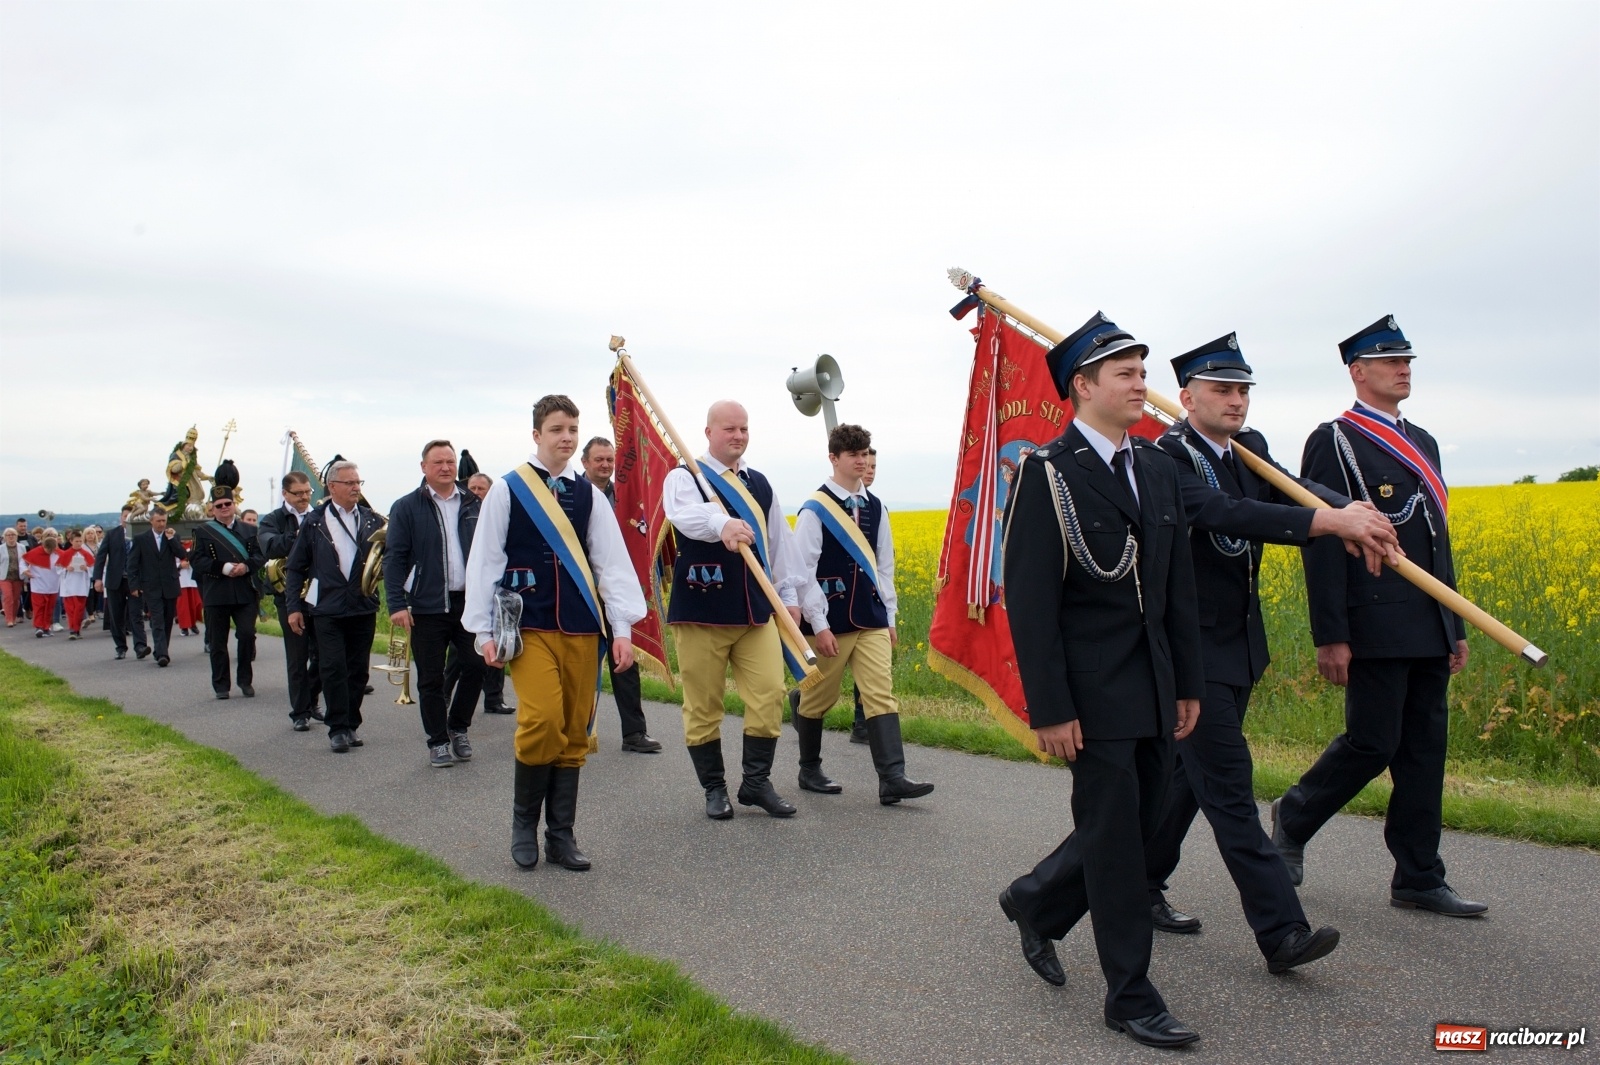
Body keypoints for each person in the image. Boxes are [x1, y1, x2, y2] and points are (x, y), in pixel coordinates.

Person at [1137, 333, 1403, 972]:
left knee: (1185, 784)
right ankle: (1282, 931)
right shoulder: (1164, 459)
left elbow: (1289, 489)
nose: (1236, 401)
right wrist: (1329, 524)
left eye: (1243, 390)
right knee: (1232, 792)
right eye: (1222, 390)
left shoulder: (1247, 448)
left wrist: (1350, 510)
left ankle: (1097, 888)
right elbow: (1225, 513)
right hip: (1190, 656)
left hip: (1239, 650)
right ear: (1186, 398)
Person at [997, 312, 1205, 1050]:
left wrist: (1187, 682)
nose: (1141, 384)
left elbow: (1176, 588)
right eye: (1125, 373)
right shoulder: (1048, 474)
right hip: (1091, 695)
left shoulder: (1157, 466)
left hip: (1155, 685)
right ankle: (1131, 996)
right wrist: (1050, 707)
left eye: (1143, 372)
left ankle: (1036, 900)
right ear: (1083, 387)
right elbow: (1031, 603)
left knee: (1139, 828)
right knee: (1118, 846)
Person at [1271, 316, 1485, 917]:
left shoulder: (1424, 441)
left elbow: (1437, 543)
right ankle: (1295, 814)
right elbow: (1321, 541)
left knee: (1424, 751)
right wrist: (1332, 634)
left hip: (1428, 623)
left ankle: (1419, 875)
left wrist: (1453, 625)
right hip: (1374, 623)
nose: (1403, 369)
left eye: (1407, 360)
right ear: (1358, 371)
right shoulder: (1335, 440)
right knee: (1372, 743)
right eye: (1391, 361)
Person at [463, 395, 645, 870]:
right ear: (537, 434)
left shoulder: (589, 496)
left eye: (573, 430)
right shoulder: (508, 489)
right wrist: (482, 630)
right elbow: (486, 561)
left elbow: (611, 564)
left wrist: (622, 628)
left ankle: (561, 835)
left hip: (583, 626)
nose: (567, 437)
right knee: (542, 720)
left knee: (574, 730)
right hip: (529, 626)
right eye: (557, 429)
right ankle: (523, 825)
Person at [663, 400, 804, 821]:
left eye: (743, 428)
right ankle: (714, 788)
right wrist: (720, 524)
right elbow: (684, 516)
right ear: (709, 432)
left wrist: (790, 597)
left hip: (755, 611)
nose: (738, 436)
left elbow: (778, 543)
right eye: (729, 429)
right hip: (701, 608)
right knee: (704, 705)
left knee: (769, 693)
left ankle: (756, 782)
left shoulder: (759, 483)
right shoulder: (686, 476)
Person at [789, 423, 933, 803]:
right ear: (834, 458)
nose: (861, 460)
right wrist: (819, 625)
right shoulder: (815, 510)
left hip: (870, 618)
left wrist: (889, 618)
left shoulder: (876, 507)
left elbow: (885, 567)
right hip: (830, 621)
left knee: (880, 693)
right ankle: (809, 769)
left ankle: (892, 778)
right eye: (853, 454)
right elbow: (803, 573)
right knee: (819, 698)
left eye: (865, 453)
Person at [387, 440, 485, 768]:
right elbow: (395, 557)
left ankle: (458, 727)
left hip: (468, 604)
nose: (445, 467)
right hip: (426, 606)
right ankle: (438, 741)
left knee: (476, 666)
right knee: (431, 677)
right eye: (438, 462)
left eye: (450, 462)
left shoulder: (473, 502)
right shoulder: (406, 506)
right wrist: (396, 604)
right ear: (424, 467)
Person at [285, 461, 384, 753]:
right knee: (332, 668)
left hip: (362, 605)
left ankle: (351, 724)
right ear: (332, 486)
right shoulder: (314, 521)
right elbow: (295, 567)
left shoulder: (372, 519)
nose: (355, 488)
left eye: (358, 482)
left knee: (358, 671)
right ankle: (337, 728)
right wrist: (293, 607)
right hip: (327, 608)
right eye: (349, 483)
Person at [581, 435, 661, 753]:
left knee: (625, 660)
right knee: (580, 662)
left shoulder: (624, 498)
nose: (605, 465)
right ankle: (574, 729)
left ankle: (635, 733)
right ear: (584, 463)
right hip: (582, 590)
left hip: (615, 589)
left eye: (609, 460)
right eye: (598, 459)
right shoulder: (571, 495)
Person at [443, 471, 513, 714]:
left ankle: (493, 698)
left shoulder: (498, 515)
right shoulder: (463, 515)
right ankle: (445, 693)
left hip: (495, 591)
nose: (475, 492)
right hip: (467, 590)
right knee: (459, 653)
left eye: (480, 488)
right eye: (471, 488)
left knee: (498, 644)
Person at [258, 473, 323, 731]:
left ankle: (311, 699)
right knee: (297, 655)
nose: (304, 497)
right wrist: (300, 535)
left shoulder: (319, 515)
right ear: (285, 494)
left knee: (324, 654)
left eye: (307, 492)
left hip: (319, 593)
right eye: (298, 493)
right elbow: (270, 546)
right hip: (289, 594)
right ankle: (300, 712)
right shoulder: (273, 520)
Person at [192, 486, 265, 699]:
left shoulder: (250, 530)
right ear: (212, 508)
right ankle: (221, 685)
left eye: (227, 504)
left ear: (234, 505)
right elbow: (196, 560)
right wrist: (222, 567)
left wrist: (246, 566)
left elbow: (260, 556)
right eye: (219, 505)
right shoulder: (202, 532)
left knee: (247, 634)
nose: (224, 508)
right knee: (218, 641)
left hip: (245, 591)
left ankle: (245, 680)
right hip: (217, 592)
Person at [126, 508, 187, 666]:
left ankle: (161, 649)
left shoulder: (172, 537)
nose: (161, 524)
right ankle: (162, 654)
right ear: (151, 521)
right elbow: (132, 564)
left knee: (167, 619)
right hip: (151, 586)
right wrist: (134, 585)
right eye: (158, 521)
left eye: (164, 521)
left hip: (170, 584)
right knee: (157, 619)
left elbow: (182, 555)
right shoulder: (141, 539)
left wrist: (172, 539)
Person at [93, 506, 142, 659]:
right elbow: (101, 557)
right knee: (116, 616)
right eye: (125, 515)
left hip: (135, 581)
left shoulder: (141, 534)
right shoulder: (112, 534)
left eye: (131, 516)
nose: (127, 518)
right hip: (115, 580)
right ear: (121, 517)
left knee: (136, 615)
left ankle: (140, 646)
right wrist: (98, 578)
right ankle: (121, 647)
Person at [21, 532, 62, 638]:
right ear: (44, 546)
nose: (50, 552)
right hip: (38, 584)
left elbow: (66, 563)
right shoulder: (35, 552)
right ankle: (39, 627)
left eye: (52, 550)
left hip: (53, 585)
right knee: (39, 607)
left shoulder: (58, 553)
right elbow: (23, 562)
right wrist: (25, 571)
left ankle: (46, 628)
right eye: (48, 550)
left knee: (49, 608)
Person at [56, 530, 96, 639]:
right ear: (71, 541)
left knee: (79, 608)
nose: (78, 543)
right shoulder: (65, 554)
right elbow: (58, 569)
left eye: (80, 541)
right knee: (70, 609)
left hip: (81, 585)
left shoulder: (86, 554)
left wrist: (86, 568)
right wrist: (66, 568)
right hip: (69, 585)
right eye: (76, 541)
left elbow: (93, 568)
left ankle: (76, 629)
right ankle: (73, 630)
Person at [2, 528, 27, 626]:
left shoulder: (22, 547)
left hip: (17, 576)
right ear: (5, 537)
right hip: (5, 576)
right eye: (8, 535)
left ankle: (13, 617)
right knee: (8, 597)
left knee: (16, 598)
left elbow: (25, 561)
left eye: (13, 534)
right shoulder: (1, 548)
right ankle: (9, 620)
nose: (11, 536)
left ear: (16, 536)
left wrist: (25, 575)